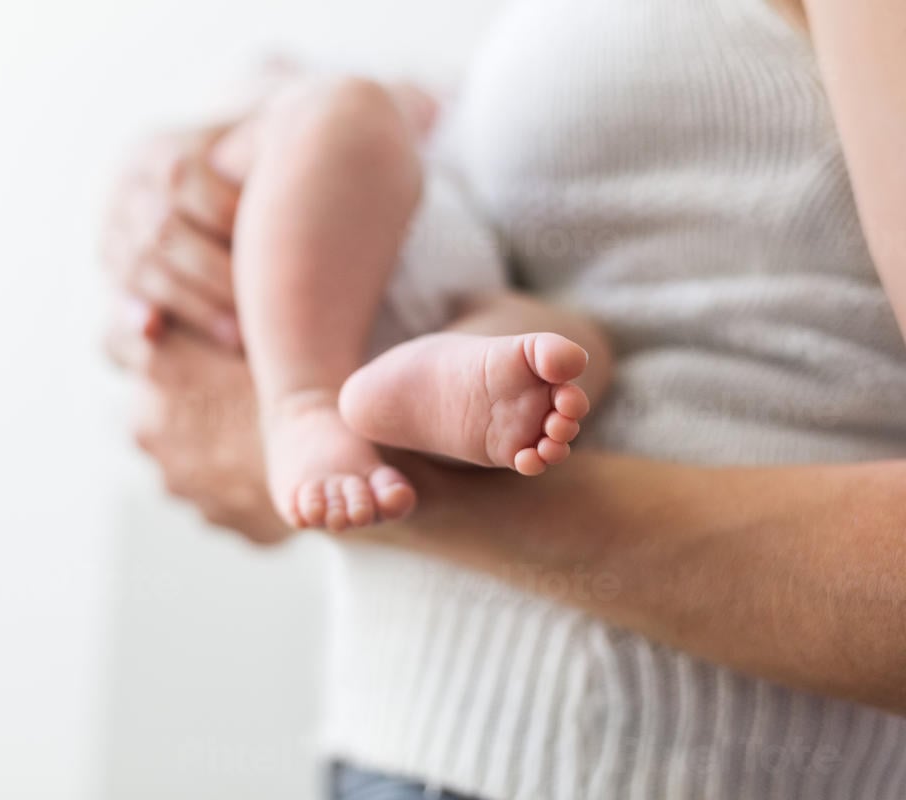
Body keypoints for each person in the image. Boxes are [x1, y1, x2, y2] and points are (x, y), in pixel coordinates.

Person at [105, 0, 906, 797]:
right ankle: (366, 388)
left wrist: (417, 495)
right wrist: (183, 180)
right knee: (539, 332)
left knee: (554, 351)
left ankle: (308, 404)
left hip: (602, 757)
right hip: (410, 736)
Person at [212, 75, 602, 532]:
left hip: (451, 290)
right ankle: (303, 401)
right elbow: (216, 159)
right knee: (345, 105)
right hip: (301, 281)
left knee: (574, 348)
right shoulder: (291, 113)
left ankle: (440, 384)